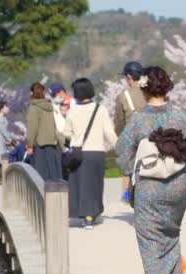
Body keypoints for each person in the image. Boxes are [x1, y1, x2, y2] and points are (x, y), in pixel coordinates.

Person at [115, 66, 186, 274]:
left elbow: (121, 152)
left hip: (149, 189)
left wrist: (134, 169)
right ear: (167, 88)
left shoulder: (138, 120)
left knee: (150, 243)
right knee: (170, 236)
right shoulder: (181, 118)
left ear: (144, 89)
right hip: (176, 187)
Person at [64, 78, 118, 229]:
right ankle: (91, 215)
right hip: (96, 152)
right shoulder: (100, 109)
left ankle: (81, 214)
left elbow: (66, 132)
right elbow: (109, 132)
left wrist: (75, 137)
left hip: (78, 152)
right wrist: (118, 146)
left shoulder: (72, 111)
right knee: (94, 184)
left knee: (79, 184)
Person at [114, 61, 147, 202]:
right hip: (153, 139)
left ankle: (129, 196)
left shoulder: (123, 96)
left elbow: (119, 122)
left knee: (128, 170)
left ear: (129, 77)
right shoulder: (150, 91)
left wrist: (121, 136)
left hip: (132, 140)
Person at [26, 82, 65, 181]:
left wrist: (30, 144)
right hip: (53, 143)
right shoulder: (50, 106)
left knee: (42, 175)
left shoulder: (33, 107)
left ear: (31, 93)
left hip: (40, 145)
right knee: (53, 173)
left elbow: (32, 128)